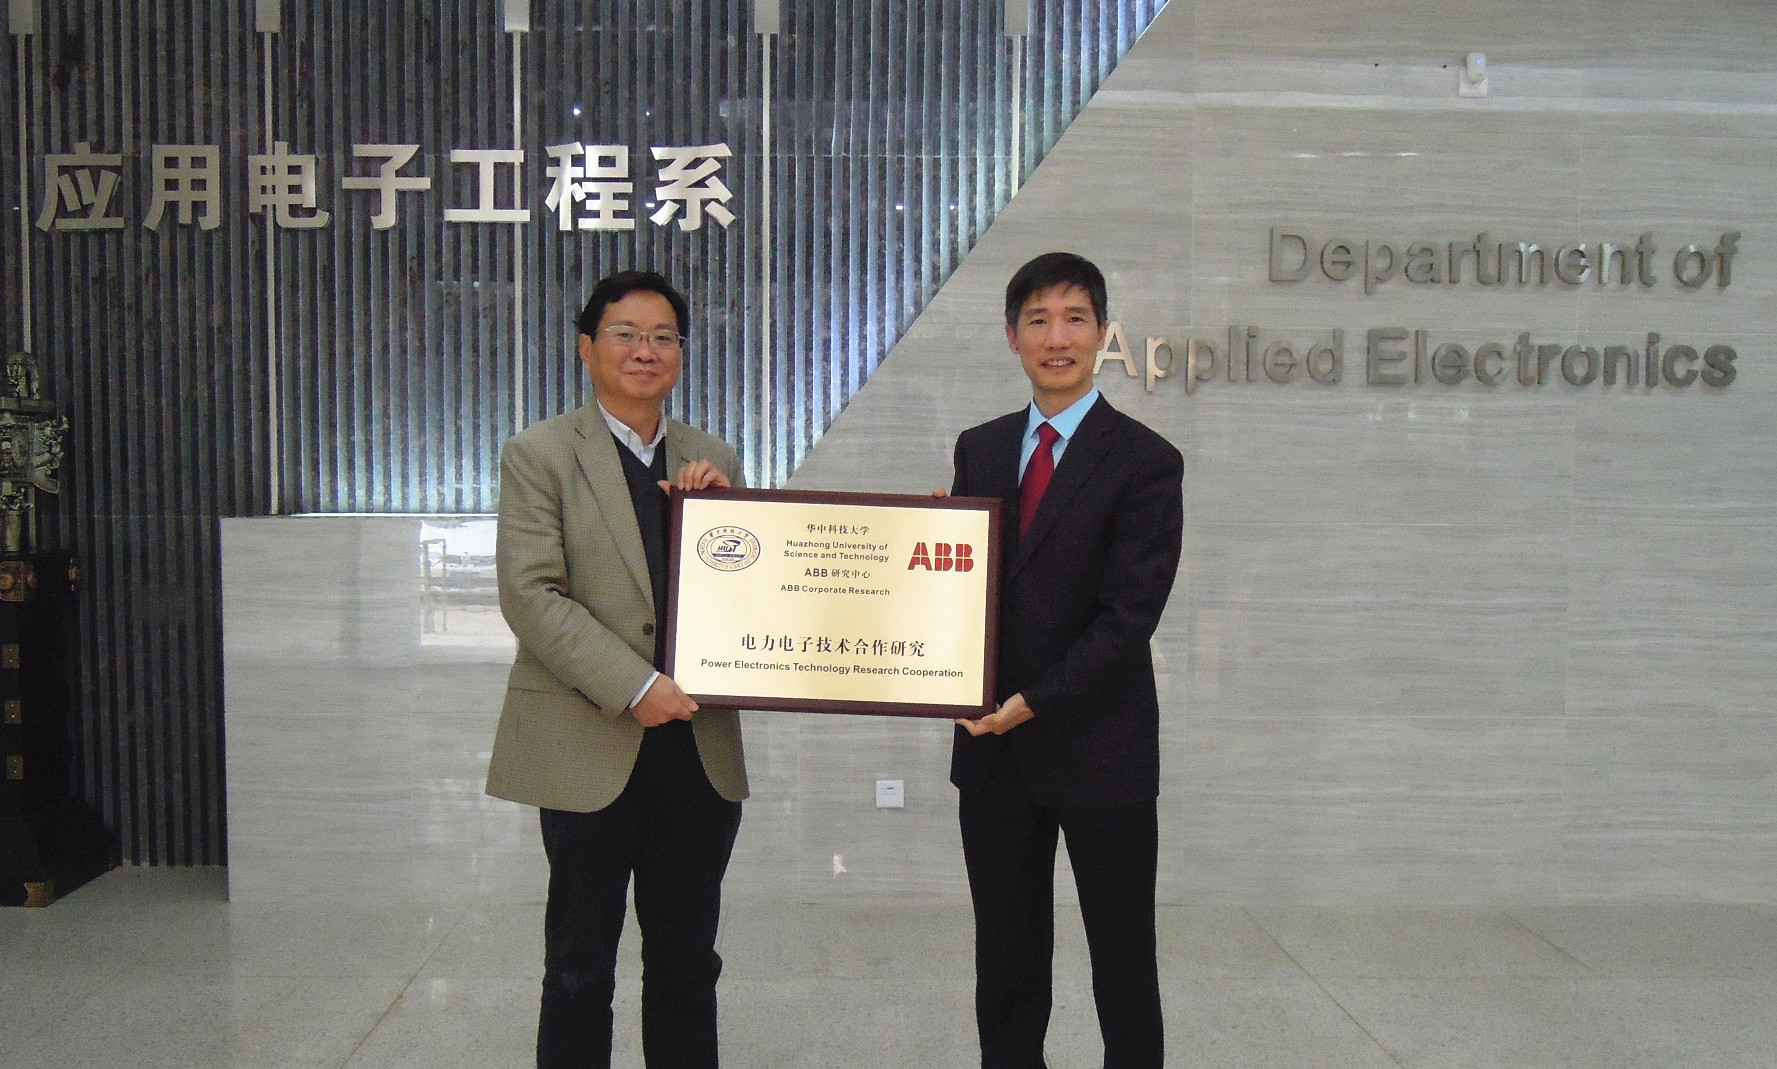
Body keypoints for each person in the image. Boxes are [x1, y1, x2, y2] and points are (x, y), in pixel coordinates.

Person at [485, 269, 747, 1069]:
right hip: (586, 743)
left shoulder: (712, 456)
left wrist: (725, 514)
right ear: (586, 347)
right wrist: (636, 686)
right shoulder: (538, 454)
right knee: (578, 965)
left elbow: (748, 594)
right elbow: (531, 594)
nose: (645, 350)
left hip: (696, 749)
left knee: (686, 963)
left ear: (681, 353)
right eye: (625, 334)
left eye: (664, 336)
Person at [948, 252, 1184, 1069]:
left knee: (1122, 959)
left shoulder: (1146, 460)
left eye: (1075, 318)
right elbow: (962, 585)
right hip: (993, 752)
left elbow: (1129, 616)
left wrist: (1034, 699)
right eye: (1038, 320)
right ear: (1011, 336)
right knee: (1005, 958)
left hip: (1100, 746)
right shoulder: (979, 448)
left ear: (1102, 333)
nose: (1057, 337)